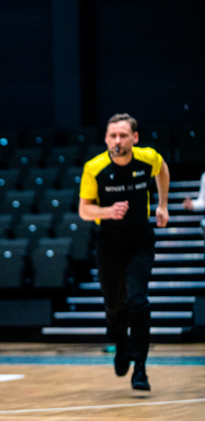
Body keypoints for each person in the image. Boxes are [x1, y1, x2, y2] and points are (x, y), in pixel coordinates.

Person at [79, 113, 170, 392]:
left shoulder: (148, 158)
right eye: (112, 135)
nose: (117, 140)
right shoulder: (94, 168)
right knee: (114, 305)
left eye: (123, 135)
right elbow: (84, 210)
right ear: (106, 139)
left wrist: (163, 204)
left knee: (138, 301)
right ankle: (120, 342)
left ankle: (140, 366)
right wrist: (108, 211)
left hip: (140, 240)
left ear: (134, 138)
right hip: (109, 243)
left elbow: (163, 169)